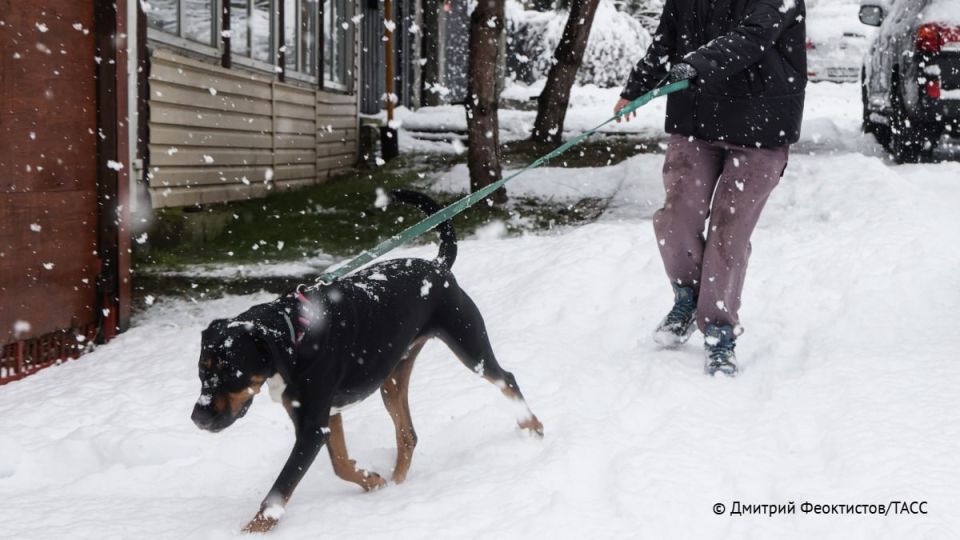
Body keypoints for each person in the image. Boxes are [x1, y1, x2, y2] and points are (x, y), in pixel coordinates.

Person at [615, 0, 807, 376]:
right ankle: (688, 298)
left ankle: (719, 328)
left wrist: (695, 65)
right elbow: (665, 39)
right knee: (675, 217)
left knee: (728, 230)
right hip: (696, 120)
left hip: (761, 128)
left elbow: (753, 36)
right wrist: (636, 87)